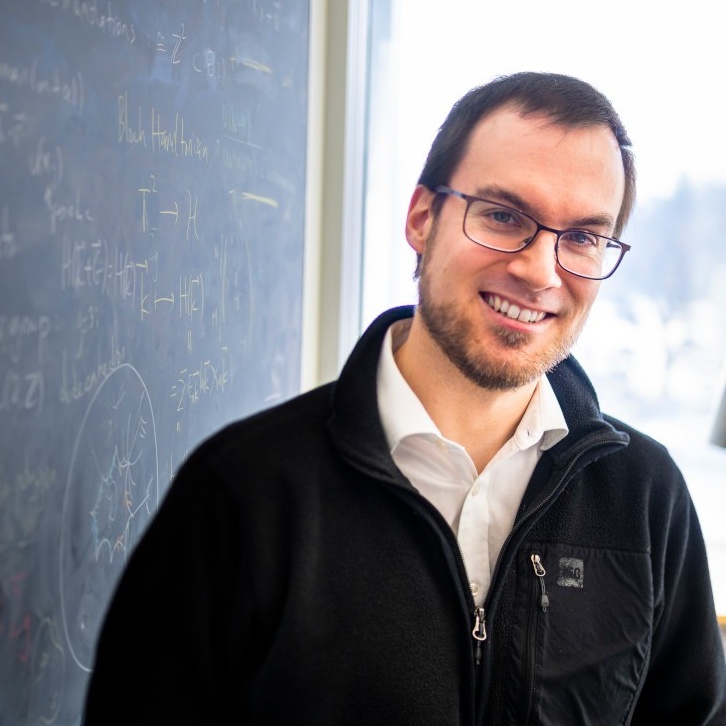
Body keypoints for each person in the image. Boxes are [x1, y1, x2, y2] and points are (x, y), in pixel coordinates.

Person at [83, 71, 726, 724]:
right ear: (422, 219)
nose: (539, 271)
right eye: (504, 216)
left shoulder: (647, 499)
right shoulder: (242, 492)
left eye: (584, 236)